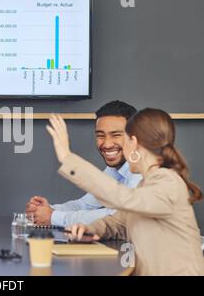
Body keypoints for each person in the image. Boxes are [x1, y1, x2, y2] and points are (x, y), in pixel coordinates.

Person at [46, 109, 204, 276]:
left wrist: (67, 158)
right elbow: (118, 222)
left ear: (133, 143)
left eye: (124, 139)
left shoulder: (167, 182)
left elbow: (125, 198)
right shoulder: (148, 184)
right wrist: (89, 229)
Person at [26, 101, 142, 227]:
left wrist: (53, 216)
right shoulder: (115, 168)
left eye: (116, 135)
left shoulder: (143, 171)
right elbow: (85, 204)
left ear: (134, 137)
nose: (107, 144)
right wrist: (46, 210)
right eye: (100, 135)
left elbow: (119, 216)